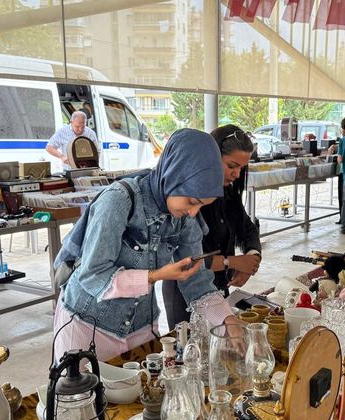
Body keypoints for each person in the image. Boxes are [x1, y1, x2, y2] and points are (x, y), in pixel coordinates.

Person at [52, 129, 242, 362]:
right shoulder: (119, 200)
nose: (193, 212)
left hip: (139, 325)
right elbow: (92, 275)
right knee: (80, 396)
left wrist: (227, 319)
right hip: (86, 324)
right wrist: (154, 276)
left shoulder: (185, 217)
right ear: (173, 175)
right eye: (192, 201)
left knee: (142, 393)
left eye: (201, 205)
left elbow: (197, 281)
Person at [162, 125, 261, 328]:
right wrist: (232, 261)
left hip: (216, 288)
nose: (236, 174)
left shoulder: (229, 194)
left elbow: (248, 228)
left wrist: (250, 260)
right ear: (212, 158)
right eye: (231, 166)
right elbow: (188, 261)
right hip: (185, 291)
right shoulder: (187, 199)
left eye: (241, 168)